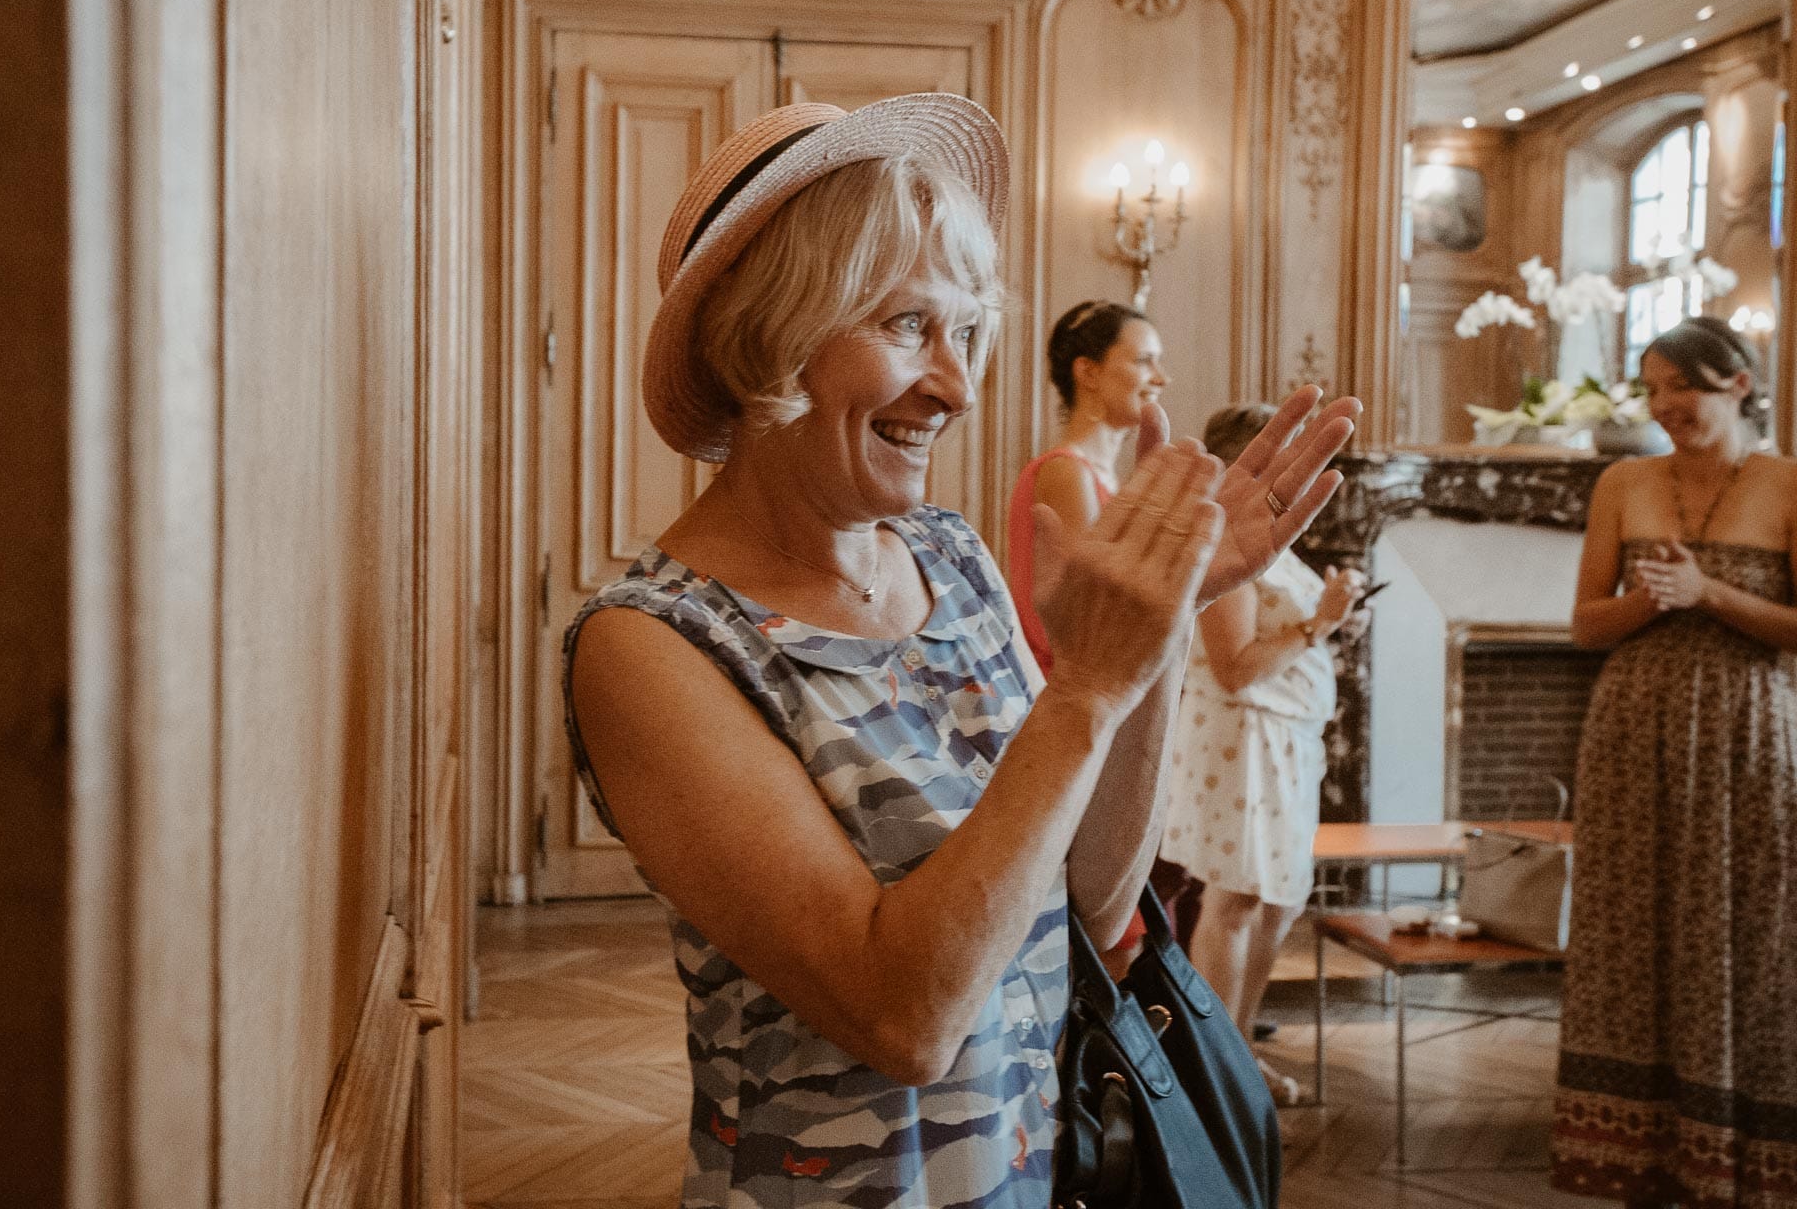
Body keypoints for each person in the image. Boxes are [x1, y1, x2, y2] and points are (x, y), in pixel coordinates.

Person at [562, 93, 1359, 1206]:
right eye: (905, 327)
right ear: (769, 333)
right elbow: (905, 1017)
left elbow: (1088, 894)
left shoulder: (949, 553)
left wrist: (1167, 615)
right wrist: (1085, 684)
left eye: (965, 330)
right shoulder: (653, 644)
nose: (959, 385)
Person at [1551, 316, 1797, 1208]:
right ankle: (1637, 1157)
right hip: (1633, 732)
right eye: (1651, 390)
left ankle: (1737, 1157)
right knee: (1633, 930)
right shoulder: (1623, 482)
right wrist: (1652, 607)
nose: (1663, 408)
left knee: (1748, 932)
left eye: (1678, 388)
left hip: (1749, 734)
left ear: (1737, 382)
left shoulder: (1787, 484)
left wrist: (1710, 592)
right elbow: (1584, 624)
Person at [1160, 403, 1363, 1108]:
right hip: (1242, 743)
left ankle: (1238, 1049)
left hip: (1285, 742)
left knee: (1275, 902)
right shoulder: (1226, 544)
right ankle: (1210, 1067)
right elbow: (1236, 667)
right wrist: (1320, 624)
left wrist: (1323, 616)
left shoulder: (1279, 540)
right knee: (1237, 901)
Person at [1004, 300, 1173, 963]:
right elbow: (1089, 619)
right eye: (1144, 359)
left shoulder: (1107, 477)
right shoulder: (1065, 471)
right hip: (1069, 711)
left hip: (1109, 714)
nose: (1161, 377)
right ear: (1090, 373)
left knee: (1112, 931)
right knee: (1102, 936)